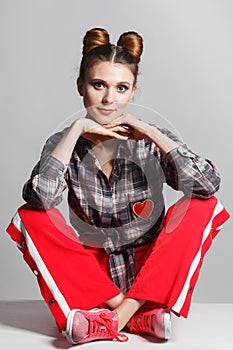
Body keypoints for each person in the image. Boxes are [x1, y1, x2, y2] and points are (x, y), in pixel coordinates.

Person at [6, 28, 230, 345]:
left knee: (203, 206)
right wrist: (76, 130)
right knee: (30, 216)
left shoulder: (150, 142)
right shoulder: (62, 145)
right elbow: (40, 199)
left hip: (150, 272)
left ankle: (115, 319)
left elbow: (207, 185)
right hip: (90, 276)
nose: (110, 99)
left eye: (121, 88)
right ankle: (134, 318)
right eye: (99, 85)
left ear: (132, 91)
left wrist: (153, 133)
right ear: (80, 86)